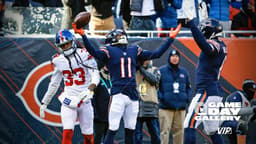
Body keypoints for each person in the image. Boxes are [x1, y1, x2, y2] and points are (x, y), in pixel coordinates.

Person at [72, 21, 181, 144]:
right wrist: (170, 39)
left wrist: (84, 36)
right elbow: (157, 54)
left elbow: (94, 52)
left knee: (128, 129)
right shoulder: (130, 49)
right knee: (115, 129)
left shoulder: (123, 49)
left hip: (129, 96)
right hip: (120, 94)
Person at [39, 29, 100, 144]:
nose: (66, 47)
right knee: (67, 133)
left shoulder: (84, 54)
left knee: (88, 137)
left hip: (85, 100)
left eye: (67, 43)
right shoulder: (57, 60)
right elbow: (54, 84)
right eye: (62, 45)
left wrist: (89, 89)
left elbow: (95, 75)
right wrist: (45, 102)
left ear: (73, 41)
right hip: (68, 100)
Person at [183, 4, 228, 144]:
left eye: (204, 31)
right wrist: (204, 17)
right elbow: (206, 39)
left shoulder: (215, 45)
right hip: (214, 93)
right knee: (212, 131)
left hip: (206, 92)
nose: (202, 32)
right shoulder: (222, 45)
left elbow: (204, 44)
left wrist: (192, 24)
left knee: (189, 125)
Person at [158, 49, 191, 144]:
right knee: (164, 132)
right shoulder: (162, 71)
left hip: (180, 108)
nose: (175, 58)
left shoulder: (184, 72)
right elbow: (156, 87)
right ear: (169, 58)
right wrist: (162, 98)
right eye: (172, 56)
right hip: (165, 108)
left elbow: (189, 87)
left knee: (180, 132)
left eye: (176, 56)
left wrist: (186, 99)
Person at [221, 79, 256, 144]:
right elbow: (235, 111)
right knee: (242, 126)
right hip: (226, 123)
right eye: (251, 89)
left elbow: (248, 119)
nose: (253, 92)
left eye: (254, 90)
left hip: (237, 126)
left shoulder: (250, 102)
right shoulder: (237, 95)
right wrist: (253, 110)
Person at [134, 60, 161, 144]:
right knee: (137, 135)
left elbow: (154, 80)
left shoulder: (155, 70)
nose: (145, 61)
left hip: (151, 106)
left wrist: (142, 70)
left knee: (155, 134)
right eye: (143, 59)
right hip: (137, 105)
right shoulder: (134, 71)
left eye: (147, 59)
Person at [92, 65, 111, 144]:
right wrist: (95, 114)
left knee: (108, 138)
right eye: (105, 65)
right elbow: (92, 98)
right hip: (99, 116)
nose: (107, 66)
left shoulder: (111, 79)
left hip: (110, 115)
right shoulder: (97, 79)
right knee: (97, 137)